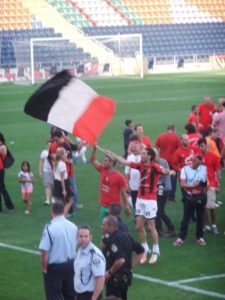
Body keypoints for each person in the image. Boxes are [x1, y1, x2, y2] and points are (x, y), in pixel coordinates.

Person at [104, 148, 175, 264]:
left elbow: (165, 171)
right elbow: (124, 161)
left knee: (151, 226)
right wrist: (111, 153)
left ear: (149, 157)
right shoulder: (139, 166)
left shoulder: (155, 167)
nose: (141, 155)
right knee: (138, 227)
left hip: (150, 201)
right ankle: (146, 250)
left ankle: (156, 251)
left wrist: (170, 172)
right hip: (140, 200)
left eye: (143, 154)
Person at [39, 201, 78, 300]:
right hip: (71, 265)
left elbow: (44, 252)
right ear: (64, 211)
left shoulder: (49, 228)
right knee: (70, 295)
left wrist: (44, 268)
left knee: (54, 296)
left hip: (55, 268)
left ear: (52, 211)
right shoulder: (73, 226)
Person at [101, 216, 144, 300]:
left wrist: (109, 273)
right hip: (125, 278)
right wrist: (130, 266)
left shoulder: (114, 239)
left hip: (115, 280)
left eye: (103, 225)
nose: (101, 227)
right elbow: (141, 252)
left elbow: (120, 260)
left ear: (111, 226)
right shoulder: (126, 235)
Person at [90, 146, 131, 223]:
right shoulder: (102, 169)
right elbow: (93, 160)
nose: (103, 162)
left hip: (114, 208)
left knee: (113, 228)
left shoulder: (119, 177)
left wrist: (127, 206)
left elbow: (123, 193)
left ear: (111, 162)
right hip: (103, 206)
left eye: (105, 161)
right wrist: (94, 149)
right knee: (104, 226)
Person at [174, 155, 208, 246]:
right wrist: (193, 185)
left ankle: (200, 237)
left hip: (201, 196)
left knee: (200, 218)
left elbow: (206, 183)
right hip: (190, 197)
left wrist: (202, 184)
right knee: (186, 218)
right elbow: (182, 184)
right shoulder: (184, 170)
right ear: (193, 161)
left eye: (200, 164)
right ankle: (181, 237)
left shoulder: (203, 169)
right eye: (197, 163)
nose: (198, 165)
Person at [74, 225, 106, 300]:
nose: (83, 239)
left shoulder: (94, 255)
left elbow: (100, 278)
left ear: (90, 237)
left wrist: (93, 298)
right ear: (77, 237)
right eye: (81, 236)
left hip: (90, 295)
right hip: (80, 294)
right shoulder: (80, 250)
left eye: (86, 236)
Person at [197, 138, 221, 234]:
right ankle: (206, 225)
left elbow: (218, 171)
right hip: (201, 185)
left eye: (202, 146)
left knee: (211, 206)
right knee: (204, 207)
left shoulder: (214, 156)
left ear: (206, 145)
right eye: (199, 146)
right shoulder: (199, 157)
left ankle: (214, 225)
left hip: (211, 184)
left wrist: (218, 185)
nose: (200, 148)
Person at [154, 149, 176, 238]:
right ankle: (158, 229)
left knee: (159, 210)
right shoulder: (160, 161)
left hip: (162, 188)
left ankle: (171, 228)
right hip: (161, 188)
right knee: (157, 210)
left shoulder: (160, 162)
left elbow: (162, 175)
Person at [155, 125, 180, 202]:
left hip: (162, 161)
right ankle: (171, 197)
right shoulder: (176, 137)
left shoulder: (160, 136)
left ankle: (162, 195)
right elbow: (179, 149)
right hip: (173, 161)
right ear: (173, 129)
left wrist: (157, 157)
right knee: (172, 179)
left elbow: (155, 148)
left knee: (162, 179)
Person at [53, 147, 73, 216]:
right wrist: (64, 189)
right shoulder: (62, 164)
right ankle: (63, 216)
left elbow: (55, 175)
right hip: (63, 183)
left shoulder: (56, 162)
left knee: (60, 202)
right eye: (65, 154)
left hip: (56, 182)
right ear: (61, 156)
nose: (66, 155)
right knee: (70, 201)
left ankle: (60, 215)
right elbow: (62, 177)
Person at [124, 136, 141, 211]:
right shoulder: (130, 157)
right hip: (133, 186)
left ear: (139, 145)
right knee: (135, 204)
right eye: (132, 146)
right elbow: (127, 172)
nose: (133, 148)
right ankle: (138, 219)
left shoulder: (144, 156)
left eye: (135, 146)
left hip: (142, 186)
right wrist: (127, 183)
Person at [0, 132, 14, 213]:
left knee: (2, 188)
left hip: (0, 169)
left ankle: (10, 206)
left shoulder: (2, 146)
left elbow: (4, 155)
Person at [39, 140, 54, 205]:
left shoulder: (54, 152)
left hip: (54, 170)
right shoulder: (44, 152)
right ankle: (47, 199)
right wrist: (40, 171)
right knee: (47, 185)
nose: (49, 145)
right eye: (48, 144)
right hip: (46, 170)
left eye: (51, 144)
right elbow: (41, 161)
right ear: (46, 145)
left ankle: (53, 198)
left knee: (53, 185)